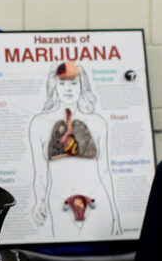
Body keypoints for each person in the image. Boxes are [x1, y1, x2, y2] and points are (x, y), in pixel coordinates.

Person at [28, 63, 122, 238]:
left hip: (97, 198)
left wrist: (116, 215)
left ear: (82, 86)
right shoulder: (39, 124)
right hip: (58, 200)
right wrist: (38, 202)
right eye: (62, 83)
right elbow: (39, 171)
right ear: (54, 86)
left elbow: (105, 170)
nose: (68, 89)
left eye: (74, 83)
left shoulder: (97, 122)